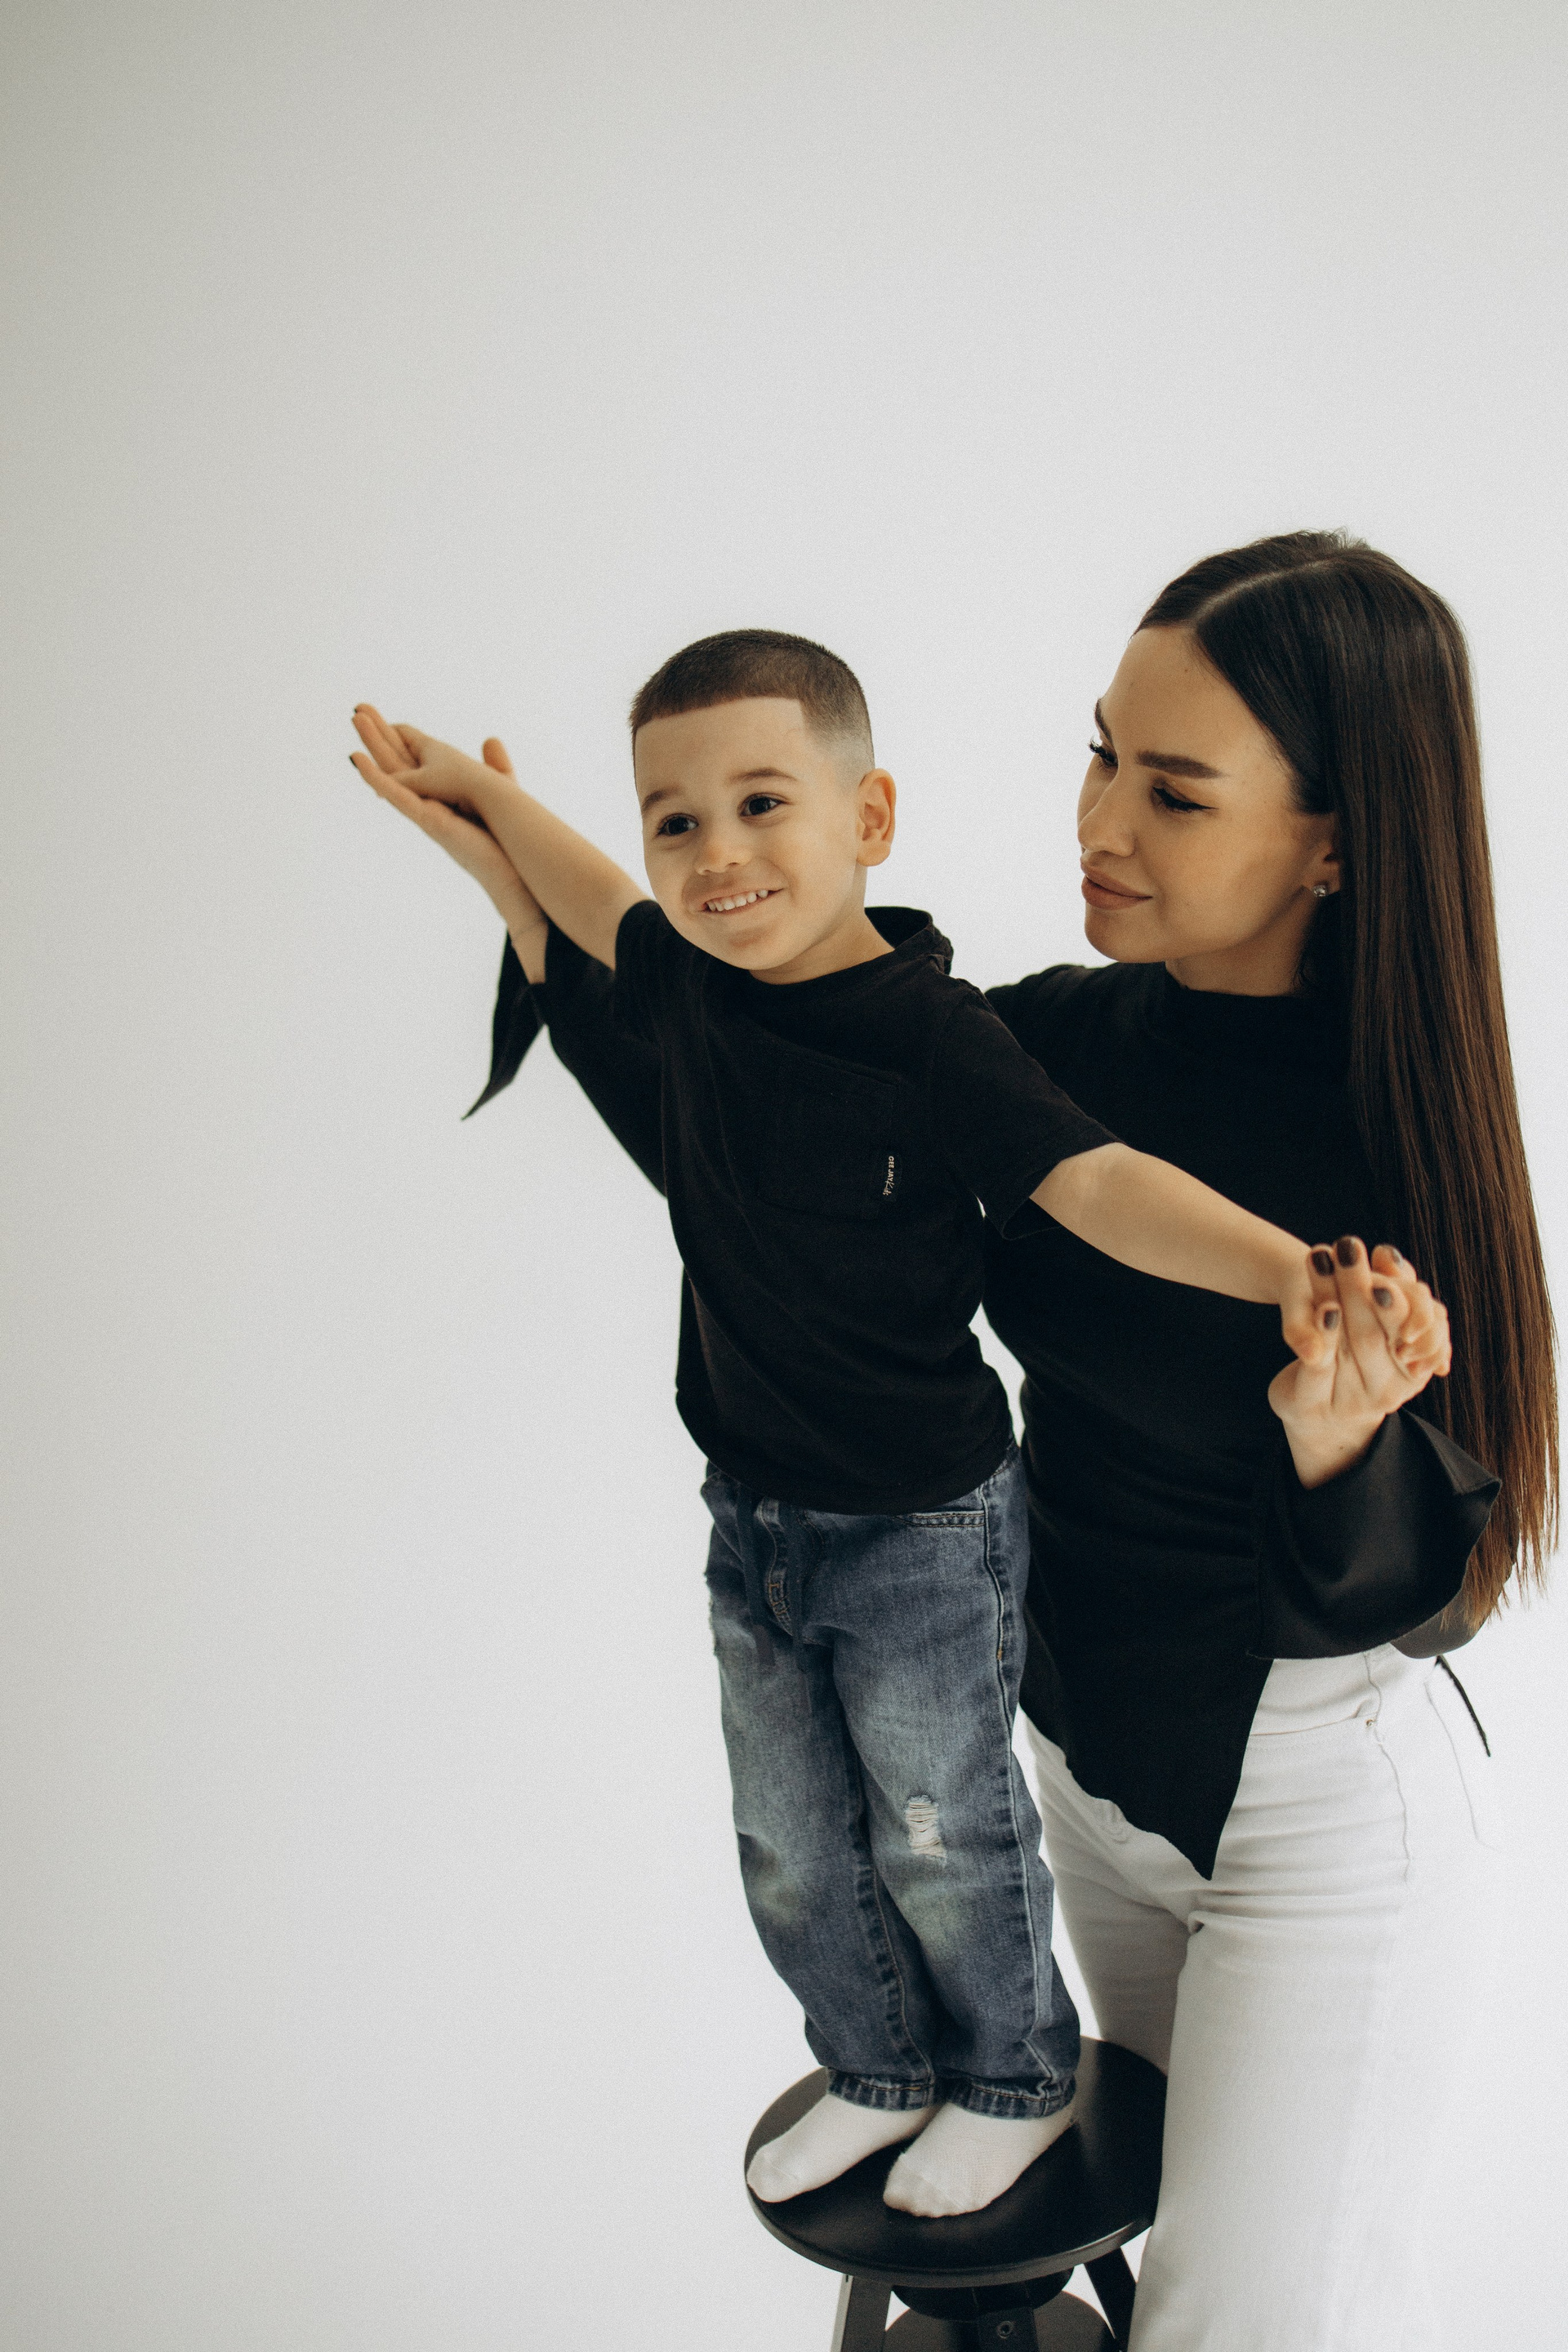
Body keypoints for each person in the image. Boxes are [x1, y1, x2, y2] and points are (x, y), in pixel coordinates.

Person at [384, 537, 1554, 2348]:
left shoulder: (1384, 1139)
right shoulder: (1041, 1037)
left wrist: (1337, 1447)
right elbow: (751, 1063)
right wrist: (520, 864)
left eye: (1174, 791)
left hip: (1313, 1825)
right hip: (1081, 1785)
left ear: (1335, 842)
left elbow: (1432, 1602)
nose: (1102, 818)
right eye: (1102, 752)